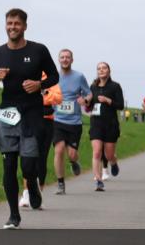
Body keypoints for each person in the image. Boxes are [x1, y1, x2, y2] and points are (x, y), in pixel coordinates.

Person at [0, 8, 59, 228]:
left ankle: (33, 186)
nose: (12, 27)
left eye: (17, 24)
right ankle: (13, 215)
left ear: (25, 26)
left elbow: (54, 76)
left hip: (32, 113)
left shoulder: (38, 50)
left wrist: (40, 84)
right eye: (9, 23)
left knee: (28, 164)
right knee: (9, 164)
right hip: (7, 114)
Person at [51, 49, 91, 195]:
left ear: (72, 60)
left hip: (74, 122)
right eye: (62, 57)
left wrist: (85, 100)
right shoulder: (53, 76)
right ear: (59, 60)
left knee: (72, 154)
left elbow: (89, 93)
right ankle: (61, 184)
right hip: (58, 120)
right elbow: (46, 93)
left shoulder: (79, 76)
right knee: (59, 150)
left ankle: (73, 162)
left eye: (68, 57)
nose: (65, 59)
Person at [81, 62, 124, 190]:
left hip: (111, 124)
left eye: (104, 68)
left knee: (109, 154)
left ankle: (113, 162)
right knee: (97, 152)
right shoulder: (92, 87)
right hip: (96, 124)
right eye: (99, 68)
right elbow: (89, 106)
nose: (101, 70)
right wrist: (85, 102)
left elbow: (120, 105)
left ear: (109, 71)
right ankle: (98, 180)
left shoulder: (115, 86)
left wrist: (108, 100)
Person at [22, 71, 61, 206]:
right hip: (30, 120)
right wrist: (44, 95)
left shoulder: (49, 78)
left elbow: (57, 98)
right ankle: (26, 194)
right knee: (28, 157)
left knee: (42, 159)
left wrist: (41, 96)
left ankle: (39, 196)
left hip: (47, 122)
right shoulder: (26, 74)